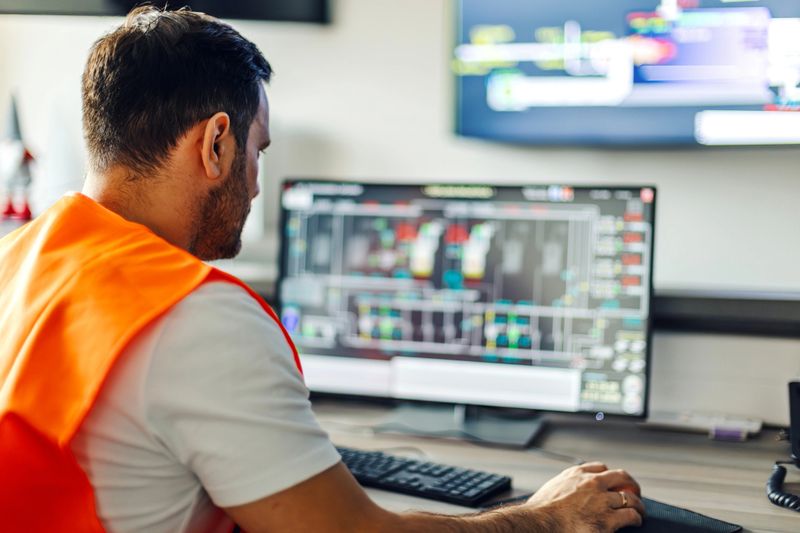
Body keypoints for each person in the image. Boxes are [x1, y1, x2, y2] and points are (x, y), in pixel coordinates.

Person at [0, 6, 645, 533]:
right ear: (216, 142)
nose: (256, 184)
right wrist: (545, 518)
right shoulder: (193, 315)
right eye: (257, 151)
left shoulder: (20, 260)